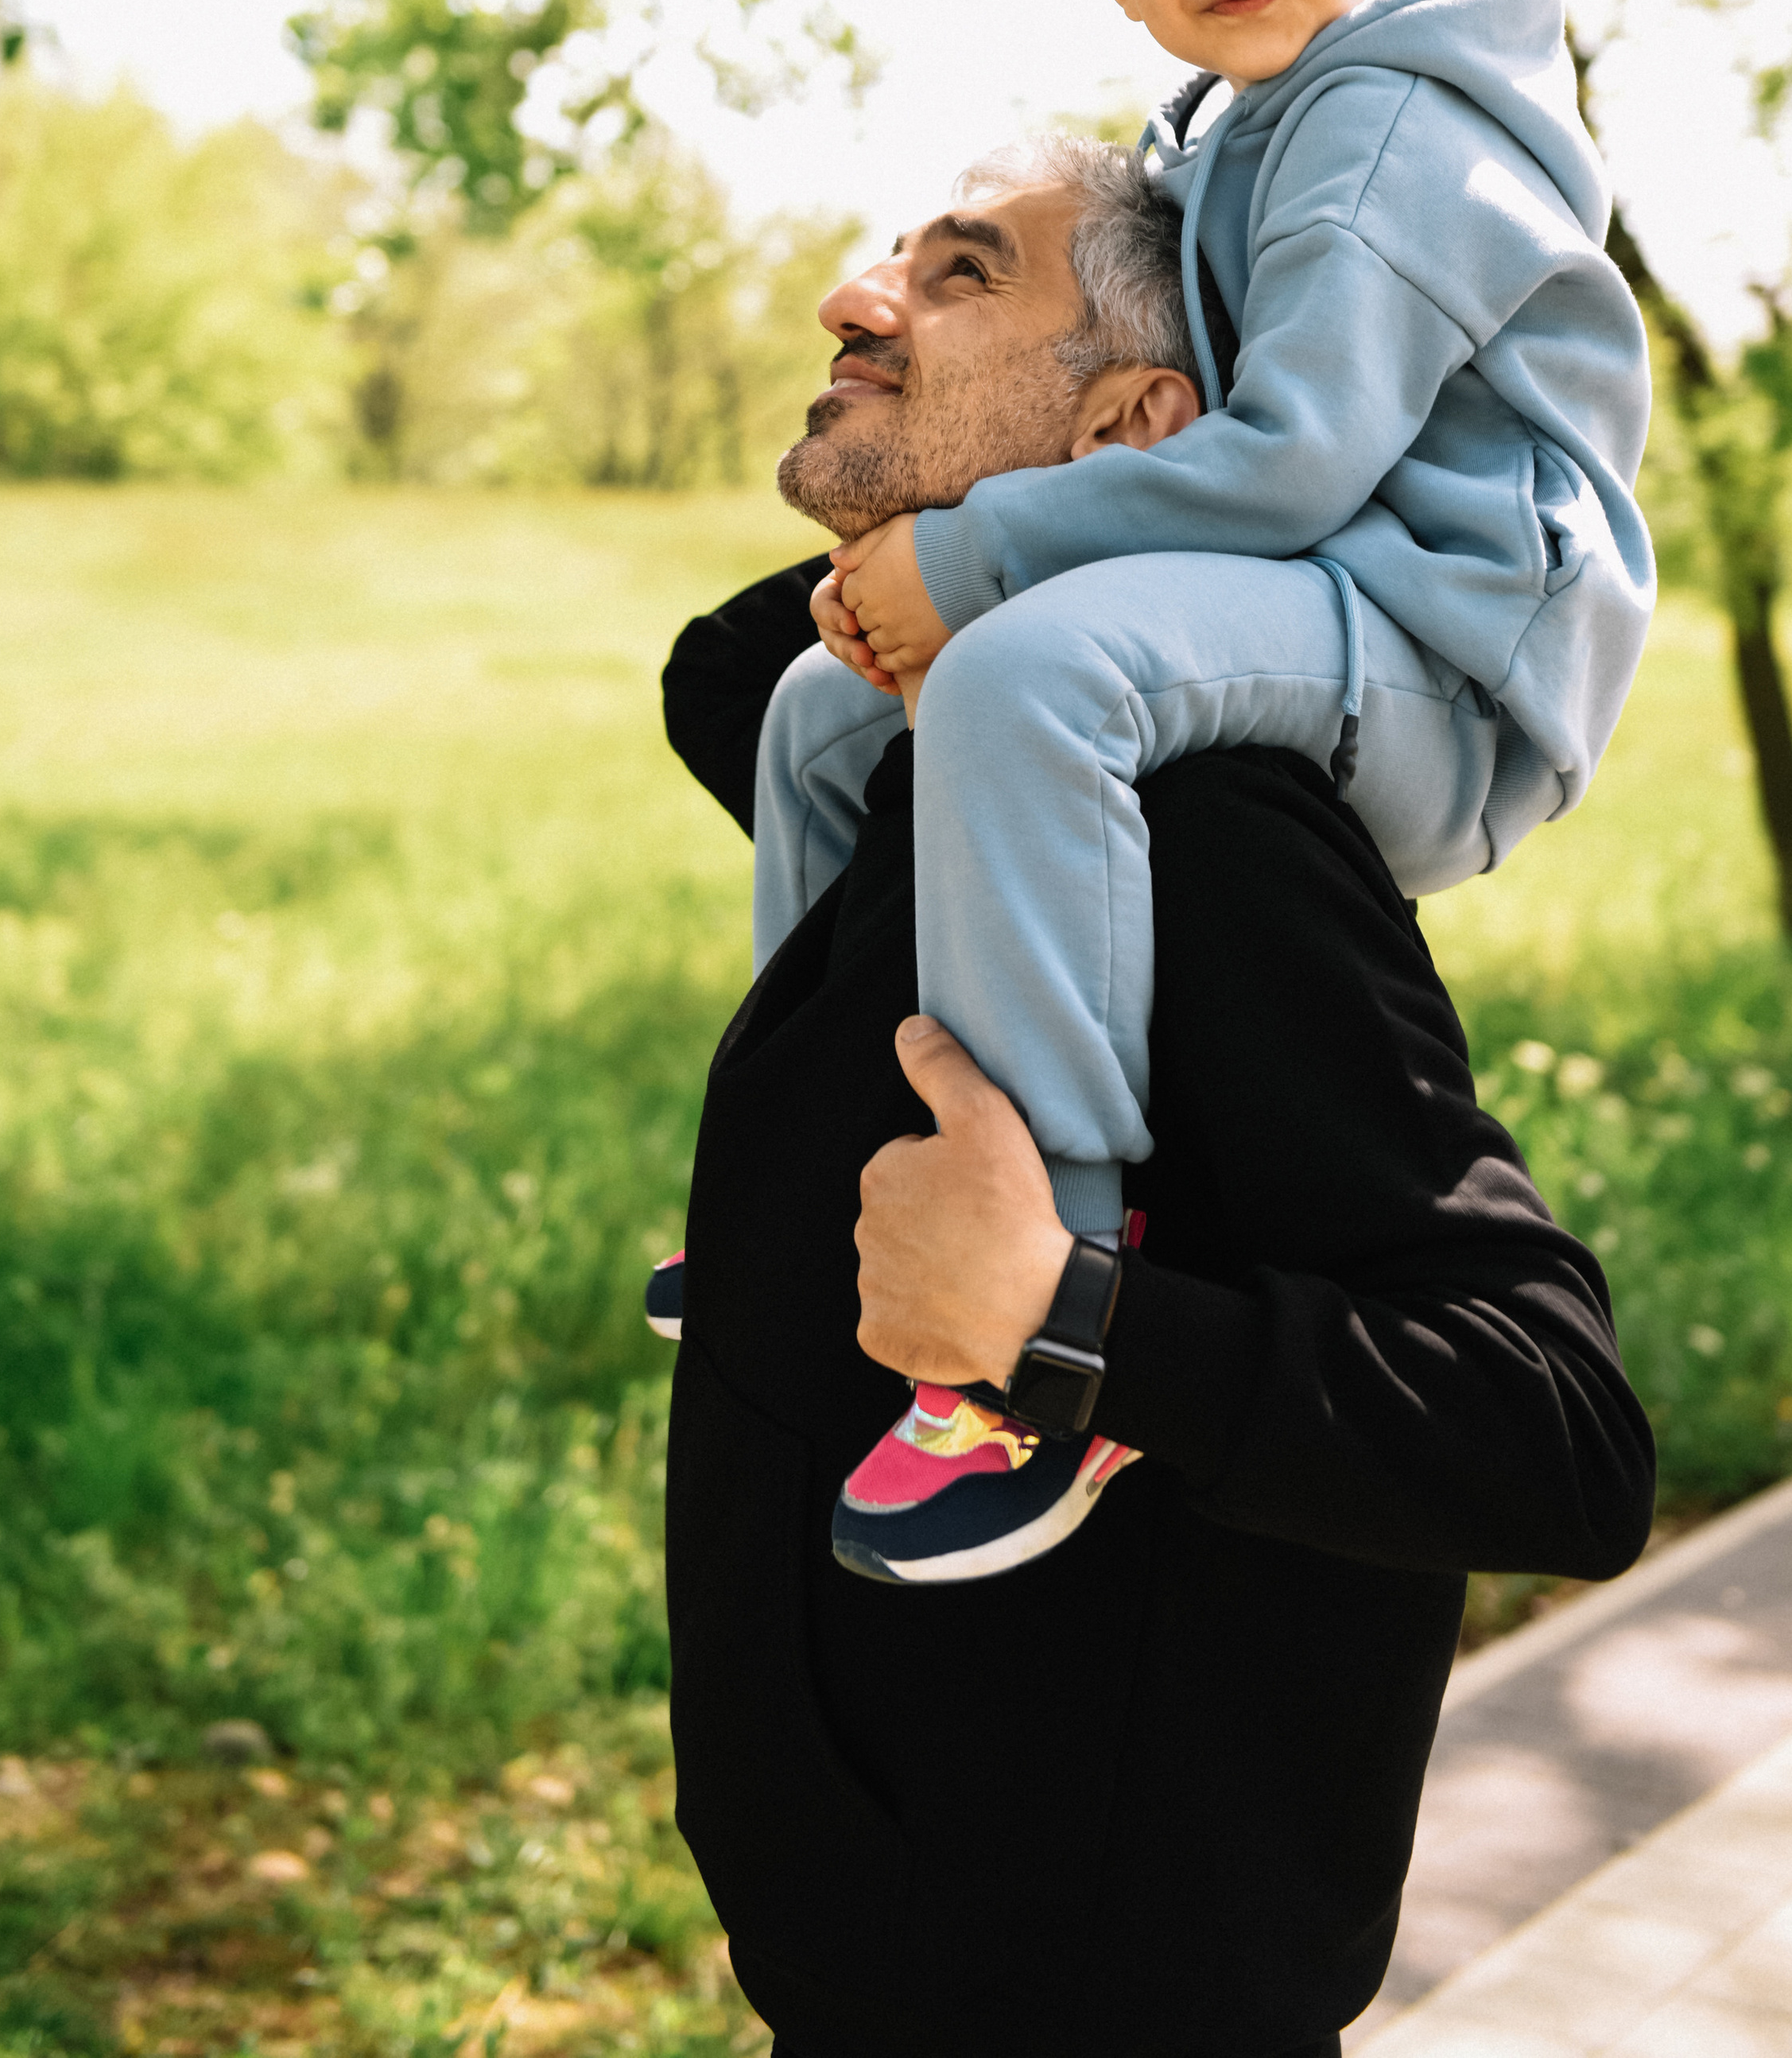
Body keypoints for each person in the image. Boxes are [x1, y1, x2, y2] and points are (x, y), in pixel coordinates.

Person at [657, 140, 1655, 2058]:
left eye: (957, 276)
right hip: (862, 1979)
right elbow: (723, 661)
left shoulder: (1198, 837)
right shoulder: (901, 770)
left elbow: (1555, 1436)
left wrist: (1067, 1328)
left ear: (1138, 420)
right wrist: (1008, 530)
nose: (852, 299)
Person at [753, 0, 1657, 1581]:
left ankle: (1036, 1277)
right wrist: (909, 573)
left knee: (1013, 677)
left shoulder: (1398, 129)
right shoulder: (1243, 127)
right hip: (1324, 590)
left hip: (1445, 636)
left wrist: (974, 556)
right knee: (823, 699)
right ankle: (819, 1173)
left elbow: (1294, 458)